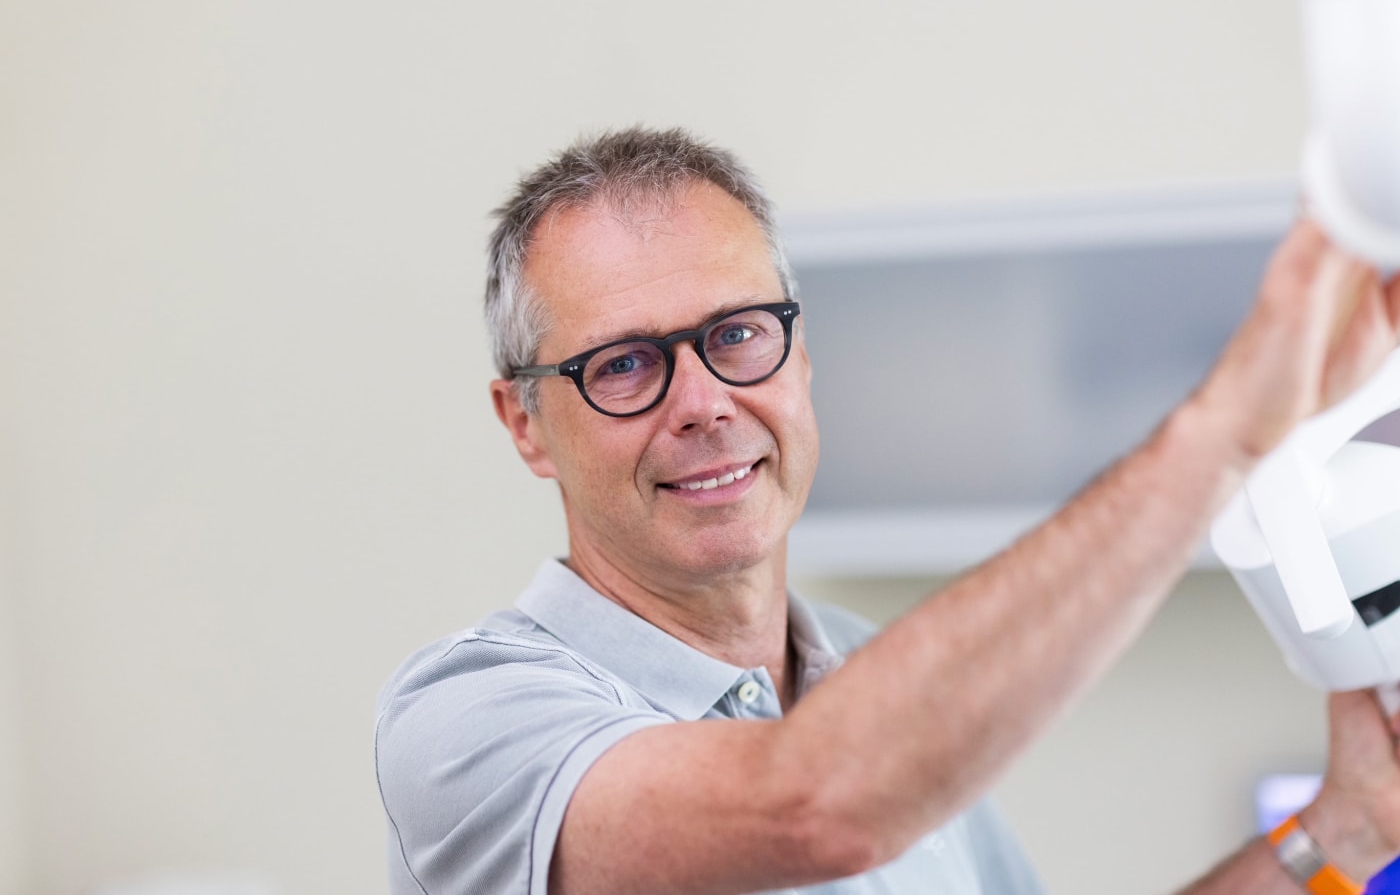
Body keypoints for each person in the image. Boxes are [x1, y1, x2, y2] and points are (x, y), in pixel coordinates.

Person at [374, 126, 1400, 895]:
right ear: (525, 424)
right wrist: (1226, 432)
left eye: (736, 335)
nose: (702, 404)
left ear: (802, 352)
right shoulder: (471, 721)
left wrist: (1344, 827)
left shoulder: (874, 688)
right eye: (625, 365)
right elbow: (813, 805)